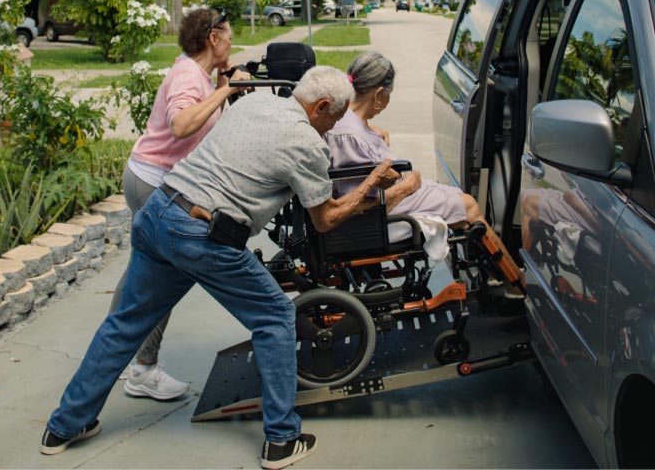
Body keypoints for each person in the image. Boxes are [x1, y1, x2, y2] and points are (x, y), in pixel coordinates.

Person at [41, 66, 410, 469]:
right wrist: (372, 181)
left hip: (158, 211)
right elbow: (324, 219)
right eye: (334, 118)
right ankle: (282, 440)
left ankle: (63, 426)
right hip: (199, 235)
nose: (333, 127)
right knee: (274, 316)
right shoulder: (308, 143)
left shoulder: (254, 102)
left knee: (125, 323)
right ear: (321, 106)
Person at [110, 7, 251, 401]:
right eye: (229, 35)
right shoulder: (187, 75)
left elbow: (205, 128)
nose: (232, 42)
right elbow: (181, 125)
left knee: (143, 268)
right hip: (152, 182)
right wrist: (227, 90)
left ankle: (117, 348)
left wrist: (222, 86)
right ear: (213, 39)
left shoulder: (200, 75)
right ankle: (142, 368)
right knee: (164, 275)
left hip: (151, 178)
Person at [325, 51, 525, 294]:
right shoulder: (350, 135)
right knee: (469, 205)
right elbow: (361, 201)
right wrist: (408, 185)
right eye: (388, 95)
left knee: (455, 197)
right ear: (378, 95)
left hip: (393, 192)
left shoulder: (345, 116)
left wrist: (370, 129)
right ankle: (516, 284)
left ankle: (496, 269)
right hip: (383, 207)